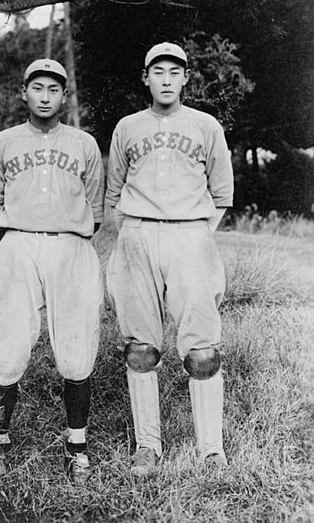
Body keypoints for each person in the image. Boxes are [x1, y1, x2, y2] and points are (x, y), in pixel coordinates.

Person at [105, 42, 234, 476]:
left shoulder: (206, 125)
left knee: (202, 352)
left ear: (185, 78)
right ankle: (148, 446)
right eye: (157, 71)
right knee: (140, 348)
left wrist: (194, 235)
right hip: (138, 236)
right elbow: (114, 191)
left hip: (190, 237)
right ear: (146, 78)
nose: (165, 78)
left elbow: (221, 194)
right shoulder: (127, 127)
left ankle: (211, 451)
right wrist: (137, 234)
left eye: (173, 72)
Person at [0, 58, 105, 481]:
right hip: (18, 244)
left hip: (71, 247)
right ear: (24, 92)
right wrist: (17, 244)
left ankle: (77, 446)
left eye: (54, 89)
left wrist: (65, 238)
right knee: (9, 343)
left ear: (64, 96)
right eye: (38, 88)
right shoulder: (2, 142)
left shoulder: (85, 144)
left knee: (76, 346)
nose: (46, 96)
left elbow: (96, 209)